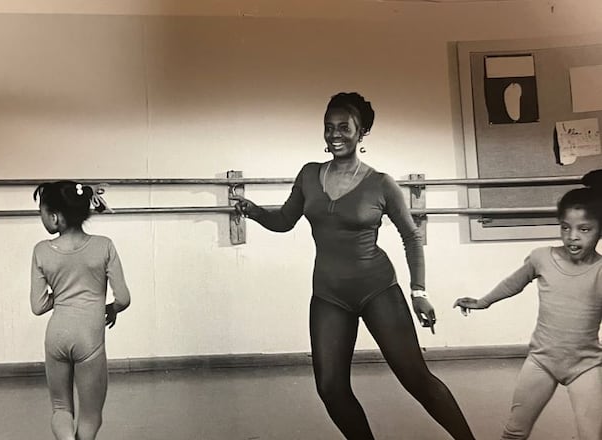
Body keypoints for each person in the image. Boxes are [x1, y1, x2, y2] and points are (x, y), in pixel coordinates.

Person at [232, 92, 475, 439]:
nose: (335, 135)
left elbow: (411, 237)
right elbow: (285, 220)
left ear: (361, 133)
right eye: (329, 128)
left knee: (416, 379)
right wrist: (254, 211)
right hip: (329, 294)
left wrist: (418, 292)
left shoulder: (380, 183)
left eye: (344, 128)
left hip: (377, 289)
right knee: (330, 388)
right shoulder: (309, 174)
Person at [454, 170, 602, 440]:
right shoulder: (541, 258)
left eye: (584, 229)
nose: (572, 237)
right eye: (565, 227)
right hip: (542, 361)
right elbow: (514, 283)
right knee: (514, 431)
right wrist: (483, 302)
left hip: (586, 365)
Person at [30, 181, 131, 440]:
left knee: (61, 408)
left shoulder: (41, 250)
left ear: (54, 217)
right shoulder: (104, 245)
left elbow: (38, 306)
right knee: (90, 413)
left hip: (56, 336)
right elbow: (124, 298)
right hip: (89, 337)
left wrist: (63, 294)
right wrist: (110, 308)